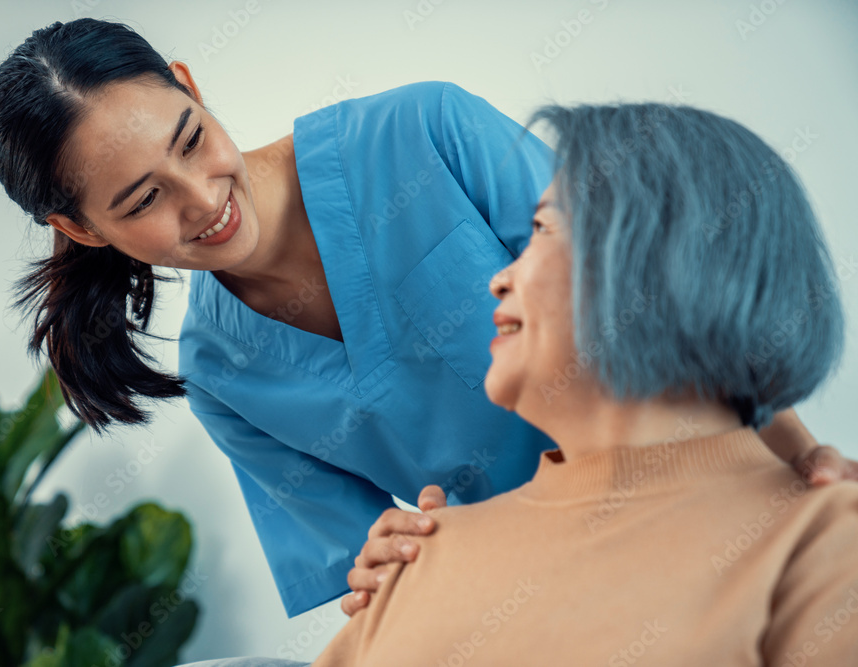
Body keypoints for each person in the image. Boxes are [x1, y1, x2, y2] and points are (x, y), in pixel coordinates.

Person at [0, 18, 856, 619]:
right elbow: (374, 576)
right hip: (548, 597)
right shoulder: (222, 374)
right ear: (81, 228)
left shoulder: (424, 132)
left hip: (700, 500)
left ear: (189, 86)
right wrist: (388, 561)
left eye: (189, 139)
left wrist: (795, 454)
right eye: (144, 199)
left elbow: (655, 297)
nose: (204, 198)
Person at [310, 102, 858, 666]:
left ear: (660, 256)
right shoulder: (417, 558)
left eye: (543, 228)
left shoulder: (822, 546)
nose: (499, 278)